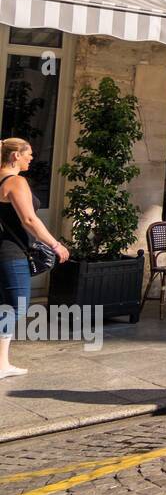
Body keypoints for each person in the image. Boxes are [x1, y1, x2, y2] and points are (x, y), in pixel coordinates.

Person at [0, 138, 70, 378]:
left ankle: (2, 363)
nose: (31, 158)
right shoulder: (15, 181)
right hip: (12, 253)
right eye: (28, 154)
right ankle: (0, 365)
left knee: (6, 305)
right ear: (15, 156)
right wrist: (55, 244)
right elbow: (29, 219)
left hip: (3, 250)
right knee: (16, 305)